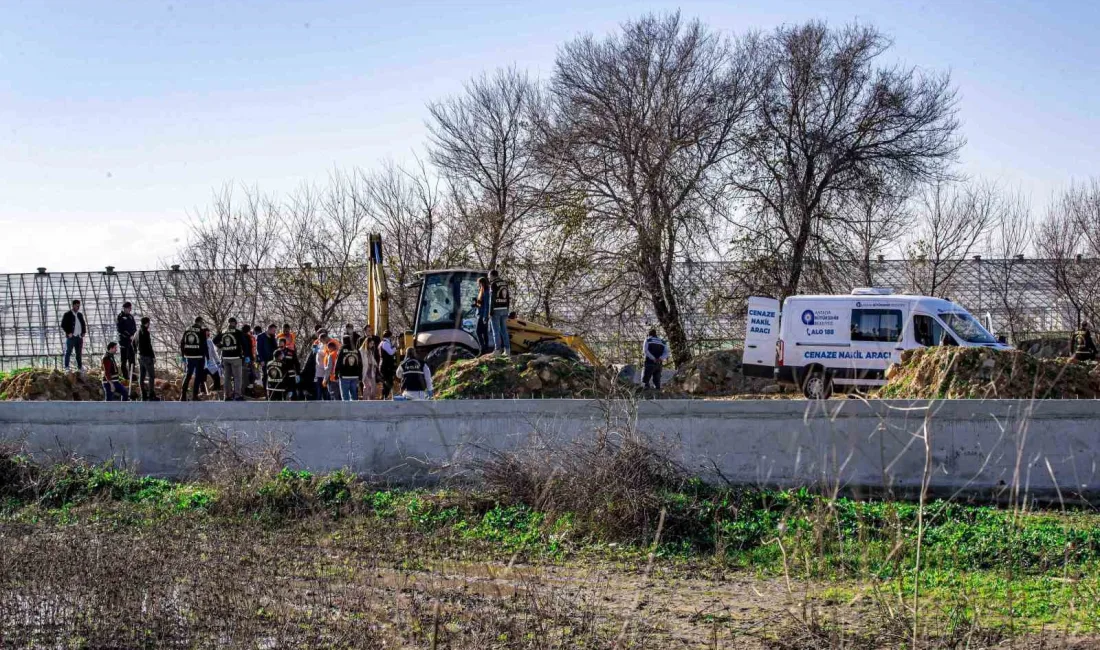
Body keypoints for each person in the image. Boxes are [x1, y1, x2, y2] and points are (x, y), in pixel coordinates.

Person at [179, 317, 208, 401]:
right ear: (200, 322)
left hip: (189, 357)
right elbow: (204, 345)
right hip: (199, 357)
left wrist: (183, 355)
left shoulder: (187, 330)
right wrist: (206, 356)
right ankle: (195, 395)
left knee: (188, 375)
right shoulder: (201, 331)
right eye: (202, 322)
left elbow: (182, 343)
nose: (202, 324)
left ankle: (183, 395)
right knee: (198, 376)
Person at [216, 318, 245, 401]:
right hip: (236, 357)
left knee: (227, 377)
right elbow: (244, 344)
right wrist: (246, 355)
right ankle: (237, 395)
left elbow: (215, 340)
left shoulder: (224, 331)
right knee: (237, 377)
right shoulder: (238, 332)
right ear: (235, 323)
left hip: (225, 357)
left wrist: (221, 346)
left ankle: (227, 396)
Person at [488, 269, 511, 355]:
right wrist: (507, 309)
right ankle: (507, 350)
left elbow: (492, 299)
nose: (488, 277)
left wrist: (490, 312)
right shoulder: (504, 283)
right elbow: (508, 298)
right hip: (504, 309)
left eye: (489, 276)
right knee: (504, 330)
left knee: (496, 331)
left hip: (496, 310)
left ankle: (497, 350)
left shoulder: (493, 284)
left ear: (492, 275)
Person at [60, 299, 88, 372]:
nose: (78, 307)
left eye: (79, 306)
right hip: (71, 337)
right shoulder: (67, 314)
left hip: (79, 337)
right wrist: (68, 332)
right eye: (76, 305)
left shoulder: (80, 314)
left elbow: (83, 324)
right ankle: (66, 367)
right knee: (68, 352)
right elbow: (63, 325)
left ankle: (80, 366)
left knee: (78, 353)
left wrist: (84, 332)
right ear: (73, 305)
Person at [137, 316, 159, 401]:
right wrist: (153, 356)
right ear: (147, 323)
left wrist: (137, 352)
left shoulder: (138, 332)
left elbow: (133, 343)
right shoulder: (145, 332)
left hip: (140, 356)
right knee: (151, 376)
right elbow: (149, 346)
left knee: (142, 376)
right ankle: (151, 394)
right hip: (147, 357)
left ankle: (143, 395)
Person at [116, 301, 137, 382]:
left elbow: (134, 328)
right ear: (125, 308)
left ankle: (133, 376)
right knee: (124, 360)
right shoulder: (120, 317)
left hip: (131, 342)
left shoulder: (131, 317)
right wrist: (129, 336)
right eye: (129, 308)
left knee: (132, 360)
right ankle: (125, 376)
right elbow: (120, 329)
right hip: (124, 341)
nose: (130, 310)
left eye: (130, 308)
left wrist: (134, 335)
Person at [338, 336, 362, 401]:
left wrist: (336, 374)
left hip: (344, 376)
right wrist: (360, 376)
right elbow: (360, 364)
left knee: (345, 396)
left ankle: (346, 410)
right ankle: (354, 410)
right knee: (354, 395)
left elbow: (339, 362)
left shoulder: (342, 350)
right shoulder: (356, 350)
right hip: (355, 376)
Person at [314, 333, 332, 401]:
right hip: (319, 371)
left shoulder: (328, 345)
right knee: (318, 390)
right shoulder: (320, 344)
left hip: (325, 371)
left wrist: (318, 351)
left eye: (321, 340)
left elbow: (325, 353)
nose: (320, 341)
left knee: (325, 391)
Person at [474, 276, 491, 351]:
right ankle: (485, 348)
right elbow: (481, 303)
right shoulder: (482, 290)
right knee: (484, 332)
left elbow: (487, 304)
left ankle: (483, 348)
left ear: (482, 283)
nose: (479, 285)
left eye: (479, 283)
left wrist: (485, 316)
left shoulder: (486, 291)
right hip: (480, 313)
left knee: (478, 332)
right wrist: (476, 303)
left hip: (482, 315)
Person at [379, 330, 397, 399]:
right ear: (389, 336)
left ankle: (384, 396)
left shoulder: (382, 343)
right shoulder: (385, 343)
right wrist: (395, 347)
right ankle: (384, 397)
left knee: (387, 383)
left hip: (384, 365)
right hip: (386, 366)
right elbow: (391, 352)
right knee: (388, 383)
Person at [204, 330, 222, 397]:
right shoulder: (198, 342)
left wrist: (217, 361)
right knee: (202, 380)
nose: (208, 336)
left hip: (210, 364)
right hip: (201, 364)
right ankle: (203, 394)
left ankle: (216, 392)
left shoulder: (209, 341)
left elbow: (214, 352)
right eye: (206, 334)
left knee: (217, 377)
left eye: (209, 335)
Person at [360, 336, 379, 400]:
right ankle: (364, 401)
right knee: (367, 386)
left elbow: (373, 360)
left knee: (373, 387)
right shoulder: (361, 351)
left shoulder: (370, 351)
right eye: (371, 343)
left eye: (373, 343)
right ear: (367, 343)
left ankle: (372, 401)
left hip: (371, 371)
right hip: (365, 371)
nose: (372, 345)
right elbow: (361, 362)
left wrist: (376, 365)